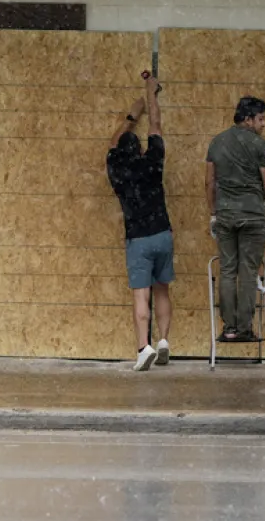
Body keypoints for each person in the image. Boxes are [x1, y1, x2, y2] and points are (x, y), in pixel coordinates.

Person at [105, 72, 174, 371]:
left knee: (140, 294)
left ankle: (143, 347)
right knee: (162, 289)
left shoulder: (116, 171)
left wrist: (132, 115)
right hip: (162, 234)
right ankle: (163, 342)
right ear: (142, 148)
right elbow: (156, 125)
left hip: (138, 239)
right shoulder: (153, 161)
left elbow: (113, 140)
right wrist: (151, 95)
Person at [206, 96, 265, 343]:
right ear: (248, 119)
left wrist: (213, 214)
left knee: (228, 270)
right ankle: (244, 328)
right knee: (248, 271)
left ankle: (228, 328)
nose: (264, 124)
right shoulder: (259, 146)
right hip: (253, 217)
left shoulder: (217, 143)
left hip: (225, 215)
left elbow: (209, 182)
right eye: (261, 119)